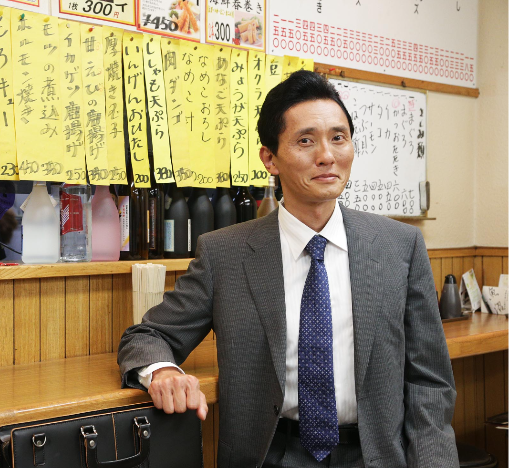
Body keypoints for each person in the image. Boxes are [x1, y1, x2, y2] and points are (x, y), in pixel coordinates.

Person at [118, 70, 458, 468]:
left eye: (338, 137)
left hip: (375, 455)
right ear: (270, 158)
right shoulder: (225, 253)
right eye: (305, 141)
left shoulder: (399, 245)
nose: (326, 156)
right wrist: (162, 372)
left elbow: (429, 381)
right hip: (271, 454)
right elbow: (147, 335)